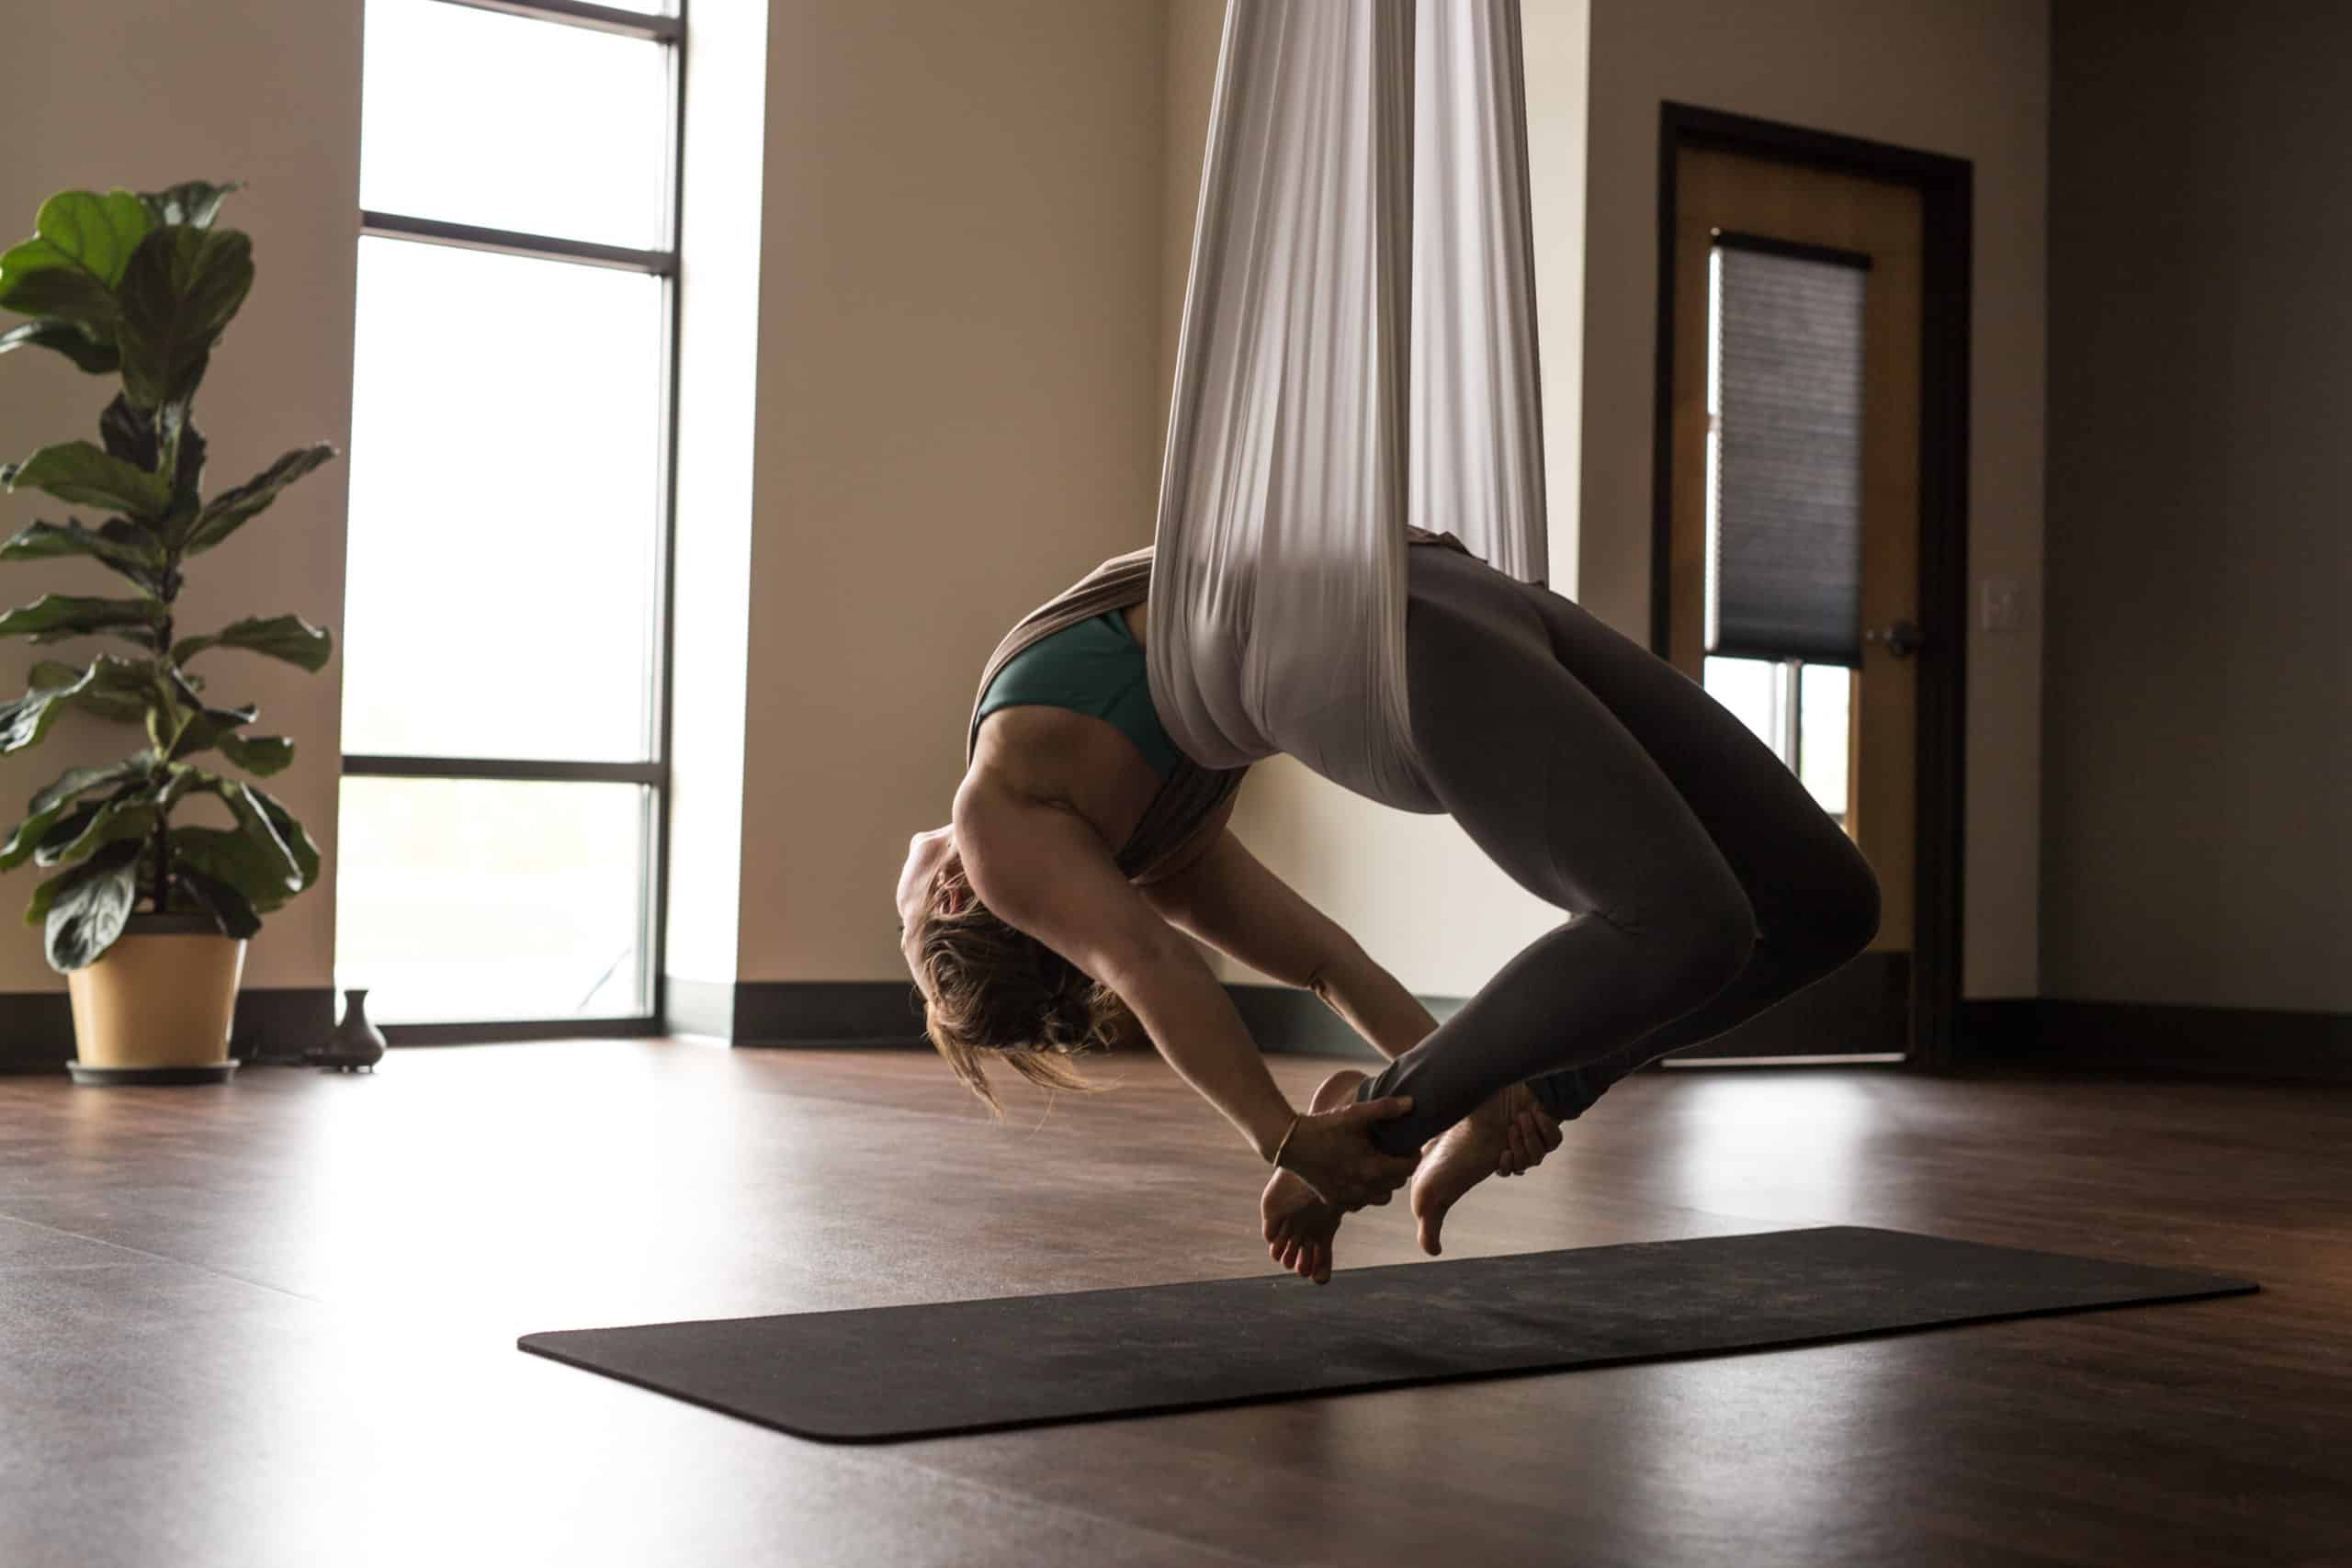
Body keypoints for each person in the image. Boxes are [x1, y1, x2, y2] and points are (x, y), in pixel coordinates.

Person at [896, 531, 1880, 1284]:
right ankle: (1506, 1099)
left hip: (1436, 583)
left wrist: (1317, 1137)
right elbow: (1268, 964)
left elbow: (1231, 968)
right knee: (1713, 921)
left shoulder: (1028, 820)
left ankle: (1426, 1116)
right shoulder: (1116, 841)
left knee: (1820, 903)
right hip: (1410, 628)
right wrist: (1362, 1118)